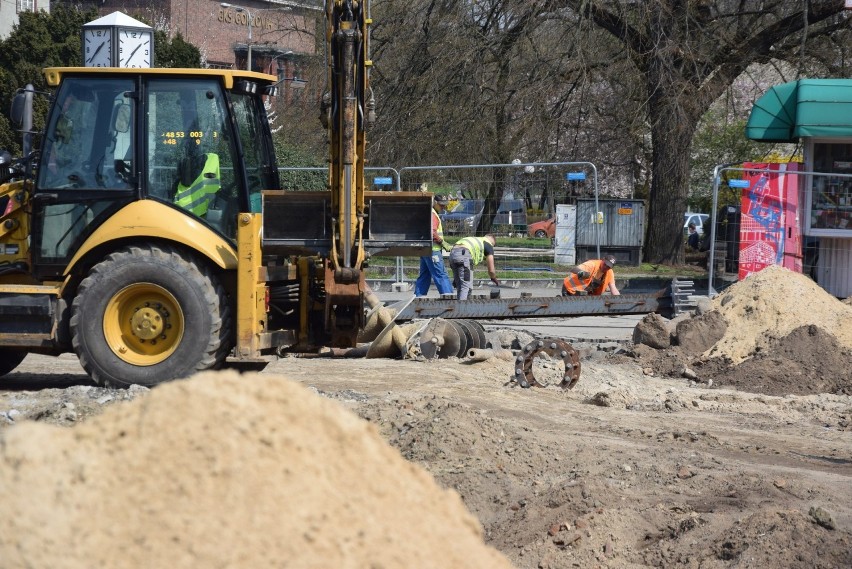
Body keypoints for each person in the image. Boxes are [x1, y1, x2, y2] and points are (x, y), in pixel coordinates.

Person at [414, 194, 454, 297]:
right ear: (435, 203)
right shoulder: (433, 215)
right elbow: (432, 232)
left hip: (425, 250)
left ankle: (418, 298)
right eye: (441, 205)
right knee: (441, 274)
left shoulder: (429, 213)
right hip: (433, 250)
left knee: (425, 275)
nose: (443, 207)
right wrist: (442, 242)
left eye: (444, 205)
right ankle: (448, 297)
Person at [449, 234, 499, 300]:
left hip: (452, 255)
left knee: (461, 286)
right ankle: (461, 308)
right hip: (464, 256)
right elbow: (491, 270)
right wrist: (493, 277)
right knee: (465, 286)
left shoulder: (475, 240)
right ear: (492, 242)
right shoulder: (488, 245)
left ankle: (462, 305)